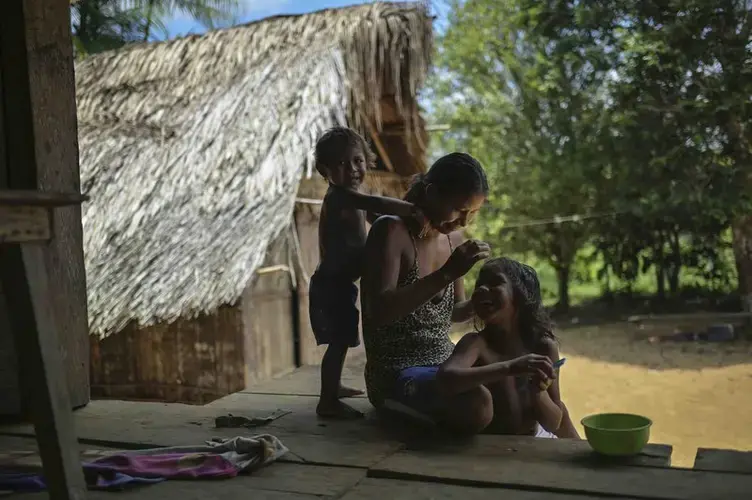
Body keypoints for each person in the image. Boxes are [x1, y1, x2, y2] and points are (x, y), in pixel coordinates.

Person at [361, 152, 501, 434]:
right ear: (432, 192)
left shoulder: (453, 239)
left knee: (516, 373)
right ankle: (397, 408)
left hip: (446, 362)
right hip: (397, 370)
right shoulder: (390, 231)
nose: (464, 222)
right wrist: (447, 273)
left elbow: (452, 313)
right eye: (460, 210)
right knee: (479, 404)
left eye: (472, 213)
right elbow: (379, 312)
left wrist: (481, 303)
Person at [310, 127, 421, 420]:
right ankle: (327, 401)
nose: (353, 169)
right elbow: (379, 205)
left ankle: (334, 387)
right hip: (331, 285)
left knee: (344, 338)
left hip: (341, 284)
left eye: (357, 161)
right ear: (326, 170)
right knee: (339, 341)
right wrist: (414, 210)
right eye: (342, 164)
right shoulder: (340, 197)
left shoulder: (354, 197)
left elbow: (379, 217)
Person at [437, 257, 581, 438]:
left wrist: (538, 393)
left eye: (495, 282)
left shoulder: (543, 347)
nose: (482, 289)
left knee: (564, 415)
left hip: (530, 446)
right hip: (492, 451)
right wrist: (510, 368)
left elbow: (553, 422)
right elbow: (445, 377)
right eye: (479, 284)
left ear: (520, 295)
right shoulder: (476, 343)